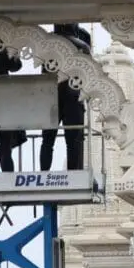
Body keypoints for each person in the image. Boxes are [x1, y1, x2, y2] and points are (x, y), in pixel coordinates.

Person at [40, 24, 91, 171]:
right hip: (73, 96)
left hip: (51, 95)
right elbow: (88, 74)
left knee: (48, 140)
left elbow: (44, 72)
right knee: (74, 140)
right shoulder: (82, 46)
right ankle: (74, 172)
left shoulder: (48, 45)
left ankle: (44, 171)